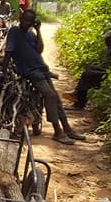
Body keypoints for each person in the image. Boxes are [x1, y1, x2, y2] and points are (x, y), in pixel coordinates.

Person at [5, 8, 86, 145]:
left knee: (56, 99)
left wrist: (38, 31)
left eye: (30, 21)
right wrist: (3, 70)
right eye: (24, 20)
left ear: (33, 23)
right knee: (50, 95)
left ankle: (67, 129)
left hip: (42, 69)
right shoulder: (14, 32)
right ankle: (58, 131)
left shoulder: (31, 34)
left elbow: (39, 50)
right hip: (30, 71)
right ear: (20, 19)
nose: (26, 23)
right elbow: (9, 52)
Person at [64, 29, 111, 109]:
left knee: (88, 75)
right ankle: (77, 94)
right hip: (110, 72)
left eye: (108, 39)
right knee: (90, 69)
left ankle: (79, 101)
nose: (106, 41)